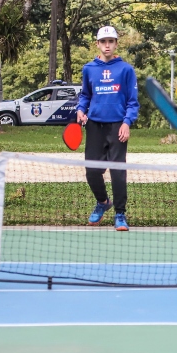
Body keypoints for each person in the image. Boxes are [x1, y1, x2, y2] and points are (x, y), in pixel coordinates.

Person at [76, 25, 139, 231]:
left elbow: (132, 101)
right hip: (94, 126)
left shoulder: (126, 69)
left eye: (111, 41)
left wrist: (127, 123)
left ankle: (120, 214)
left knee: (117, 172)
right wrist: (80, 110)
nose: (107, 45)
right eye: (103, 42)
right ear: (98, 44)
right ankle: (103, 203)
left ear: (116, 44)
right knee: (92, 171)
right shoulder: (89, 69)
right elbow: (85, 95)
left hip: (117, 126)